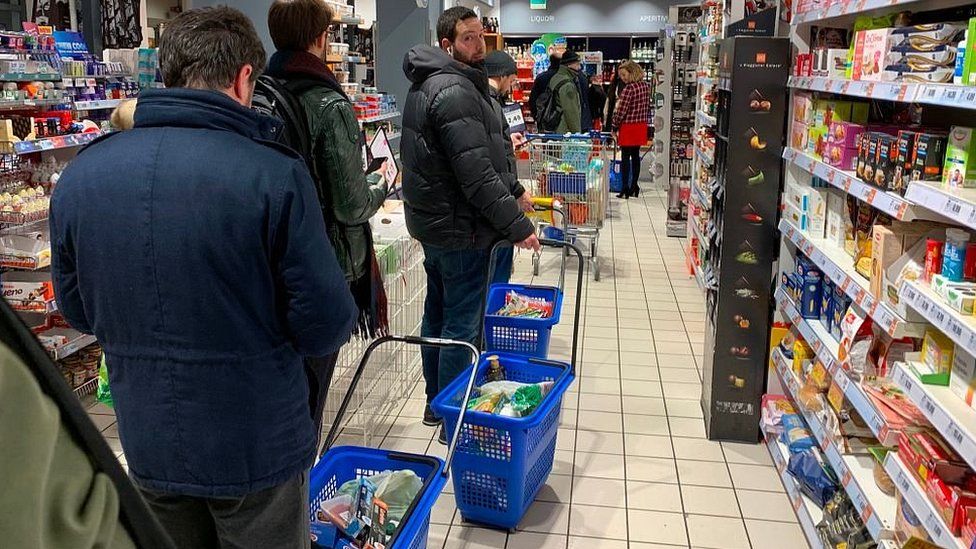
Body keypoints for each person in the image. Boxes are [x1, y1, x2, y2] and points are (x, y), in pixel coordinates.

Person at [49, 7, 358, 548]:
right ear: (244, 78)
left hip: (147, 434)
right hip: (255, 442)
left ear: (166, 73)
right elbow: (327, 322)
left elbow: (75, 308)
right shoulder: (273, 174)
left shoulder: (82, 176)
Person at [401, 6, 540, 443]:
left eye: (481, 36)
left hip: (439, 227)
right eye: (468, 38)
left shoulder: (435, 84)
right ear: (448, 45)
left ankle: (434, 404)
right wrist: (517, 225)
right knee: (462, 326)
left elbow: (478, 158)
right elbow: (476, 177)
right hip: (463, 230)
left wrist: (514, 189)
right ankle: (454, 418)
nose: (479, 45)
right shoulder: (455, 90)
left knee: (438, 316)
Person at [265, 0, 389, 448]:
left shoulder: (258, 90)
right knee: (312, 390)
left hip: (269, 254)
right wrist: (381, 182)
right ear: (320, 39)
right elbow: (351, 205)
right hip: (324, 260)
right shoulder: (327, 102)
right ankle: (300, 488)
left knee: (283, 386)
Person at [612, 60, 652, 199]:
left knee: (625, 157)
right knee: (635, 156)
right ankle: (634, 186)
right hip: (641, 125)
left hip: (628, 126)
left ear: (632, 72)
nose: (622, 78)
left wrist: (614, 125)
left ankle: (624, 188)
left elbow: (622, 110)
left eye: (624, 75)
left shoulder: (629, 89)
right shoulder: (645, 86)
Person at [547, 50, 583, 134]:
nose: (579, 67)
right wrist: (578, 135)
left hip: (553, 126)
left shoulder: (555, 78)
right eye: (577, 64)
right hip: (564, 131)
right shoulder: (567, 85)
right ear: (569, 65)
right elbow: (571, 113)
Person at [528, 52, 560, 122]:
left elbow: (532, 99)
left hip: (543, 117)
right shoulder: (564, 78)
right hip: (560, 118)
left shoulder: (541, 77)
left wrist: (536, 116)